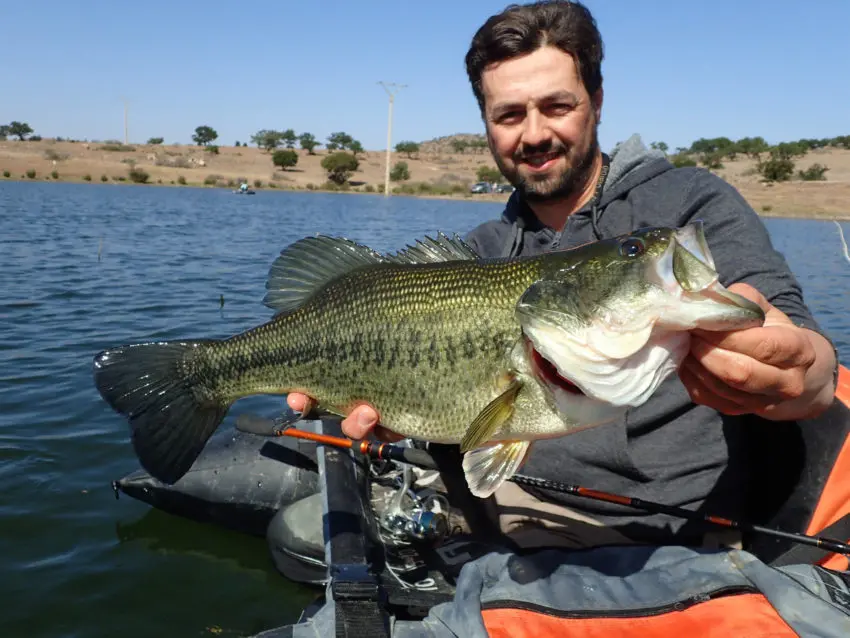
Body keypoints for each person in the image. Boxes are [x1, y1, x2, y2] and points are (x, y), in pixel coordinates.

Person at [288, 0, 838, 548]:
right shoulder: (478, 253)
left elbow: (805, 357)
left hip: (679, 539)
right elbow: (469, 433)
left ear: (596, 101)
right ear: (486, 124)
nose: (533, 134)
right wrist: (397, 413)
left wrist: (799, 370)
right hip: (511, 521)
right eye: (508, 115)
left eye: (556, 106)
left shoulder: (689, 205)